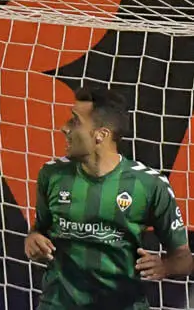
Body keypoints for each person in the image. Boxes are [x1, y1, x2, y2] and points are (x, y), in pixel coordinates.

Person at [25, 86, 194, 309]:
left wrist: (166, 266)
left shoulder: (150, 185)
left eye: (75, 121)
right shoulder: (52, 174)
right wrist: (33, 240)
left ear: (101, 135)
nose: (64, 128)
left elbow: (185, 259)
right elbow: (39, 230)